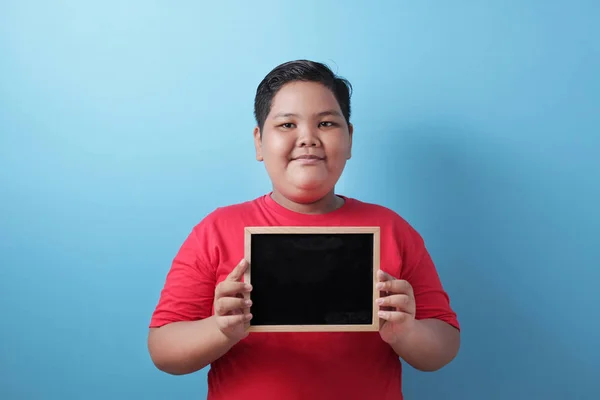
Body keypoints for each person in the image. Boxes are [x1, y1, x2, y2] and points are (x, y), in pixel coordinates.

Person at [147, 60, 460, 399]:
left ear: (350, 138)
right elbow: (163, 350)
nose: (308, 138)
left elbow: (443, 345)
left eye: (326, 123)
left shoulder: (392, 230)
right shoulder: (216, 231)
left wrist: (406, 332)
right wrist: (220, 330)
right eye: (286, 124)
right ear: (258, 142)